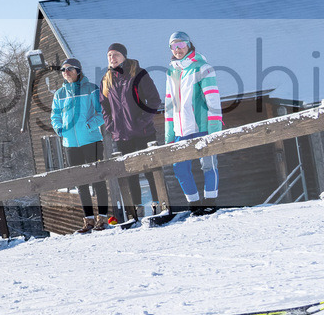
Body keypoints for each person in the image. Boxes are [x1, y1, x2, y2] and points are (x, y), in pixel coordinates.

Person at [49, 57, 114, 232]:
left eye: (69, 69)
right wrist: (59, 129)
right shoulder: (59, 95)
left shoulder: (91, 89)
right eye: (63, 70)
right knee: (81, 182)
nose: (66, 72)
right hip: (70, 144)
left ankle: (103, 218)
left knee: (97, 180)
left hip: (91, 141)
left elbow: (103, 113)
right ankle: (89, 220)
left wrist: (89, 125)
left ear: (78, 70)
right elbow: (54, 116)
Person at [99, 43, 161, 222]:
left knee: (150, 171)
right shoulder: (106, 79)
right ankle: (136, 211)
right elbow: (104, 106)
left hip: (143, 132)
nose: (112, 58)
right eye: (109, 55)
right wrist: (111, 126)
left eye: (116, 54)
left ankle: (158, 206)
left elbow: (154, 100)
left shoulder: (139, 73)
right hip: (122, 135)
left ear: (124, 56)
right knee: (131, 174)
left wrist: (142, 121)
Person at [164, 31, 222, 216]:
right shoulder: (171, 71)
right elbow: (169, 104)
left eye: (181, 45)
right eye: (174, 46)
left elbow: (213, 100)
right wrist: (169, 135)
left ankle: (210, 202)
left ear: (189, 45)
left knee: (208, 164)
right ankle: (194, 204)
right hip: (181, 129)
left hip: (202, 126)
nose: (178, 49)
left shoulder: (202, 67)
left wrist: (214, 130)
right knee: (180, 168)